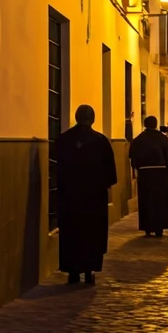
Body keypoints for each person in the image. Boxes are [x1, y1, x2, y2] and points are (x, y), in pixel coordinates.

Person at [56, 104, 118, 284]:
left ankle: (72, 271)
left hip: (69, 197)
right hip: (94, 198)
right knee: (92, 233)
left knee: (71, 232)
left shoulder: (63, 140)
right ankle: (90, 269)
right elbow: (110, 174)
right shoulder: (100, 141)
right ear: (92, 119)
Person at [129, 115, 168, 237]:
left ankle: (147, 226)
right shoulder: (163, 139)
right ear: (155, 125)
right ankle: (160, 226)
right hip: (161, 173)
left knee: (147, 200)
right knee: (160, 201)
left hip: (145, 173)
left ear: (145, 124)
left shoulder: (139, 139)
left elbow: (133, 156)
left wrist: (137, 167)